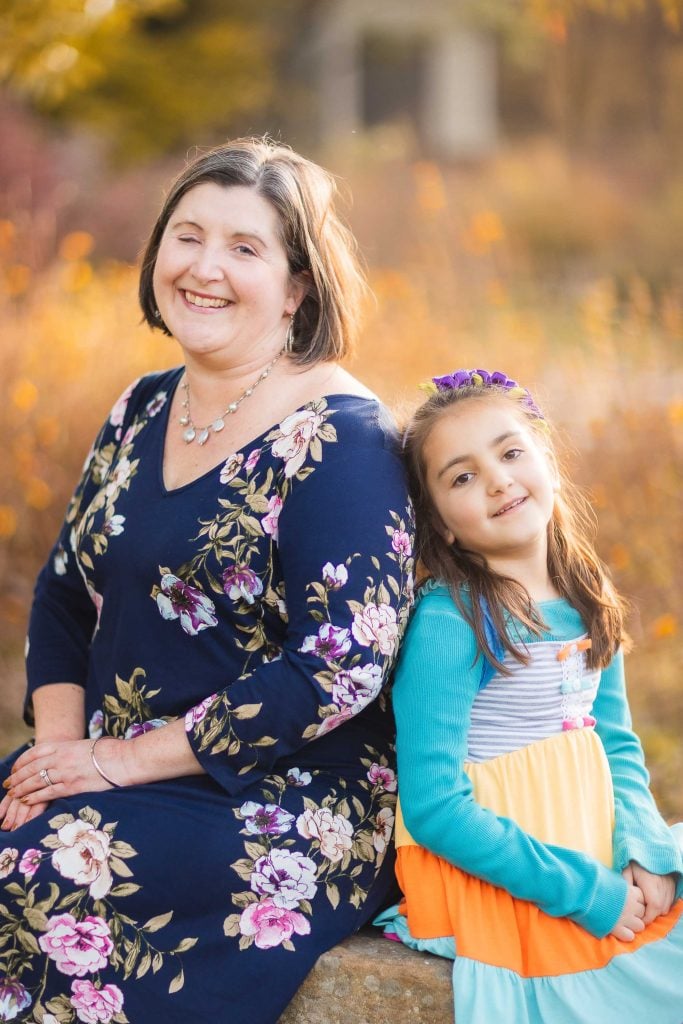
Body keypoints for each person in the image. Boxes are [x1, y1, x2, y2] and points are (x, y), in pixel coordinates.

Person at [0, 138, 414, 1024]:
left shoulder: (342, 440)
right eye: (186, 237)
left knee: (37, 873)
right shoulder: (143, 405)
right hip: (118, 768)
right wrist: (55, 760)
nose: (203, 268)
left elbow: (336, 670)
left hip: (289, 797)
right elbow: (66, 591)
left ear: (299, 286)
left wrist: (111, 765)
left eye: (243, 247)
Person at [375, 368, 683, 1022]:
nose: (495, 479)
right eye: (461, 476)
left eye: (510, 452)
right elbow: (432, 807)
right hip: (511, 873)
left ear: (544, 458)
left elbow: (615, 741)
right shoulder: (452, 620)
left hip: (588, 838)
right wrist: (583, 893)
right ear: (441, 526)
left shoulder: (581, 588)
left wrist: (643, 850)